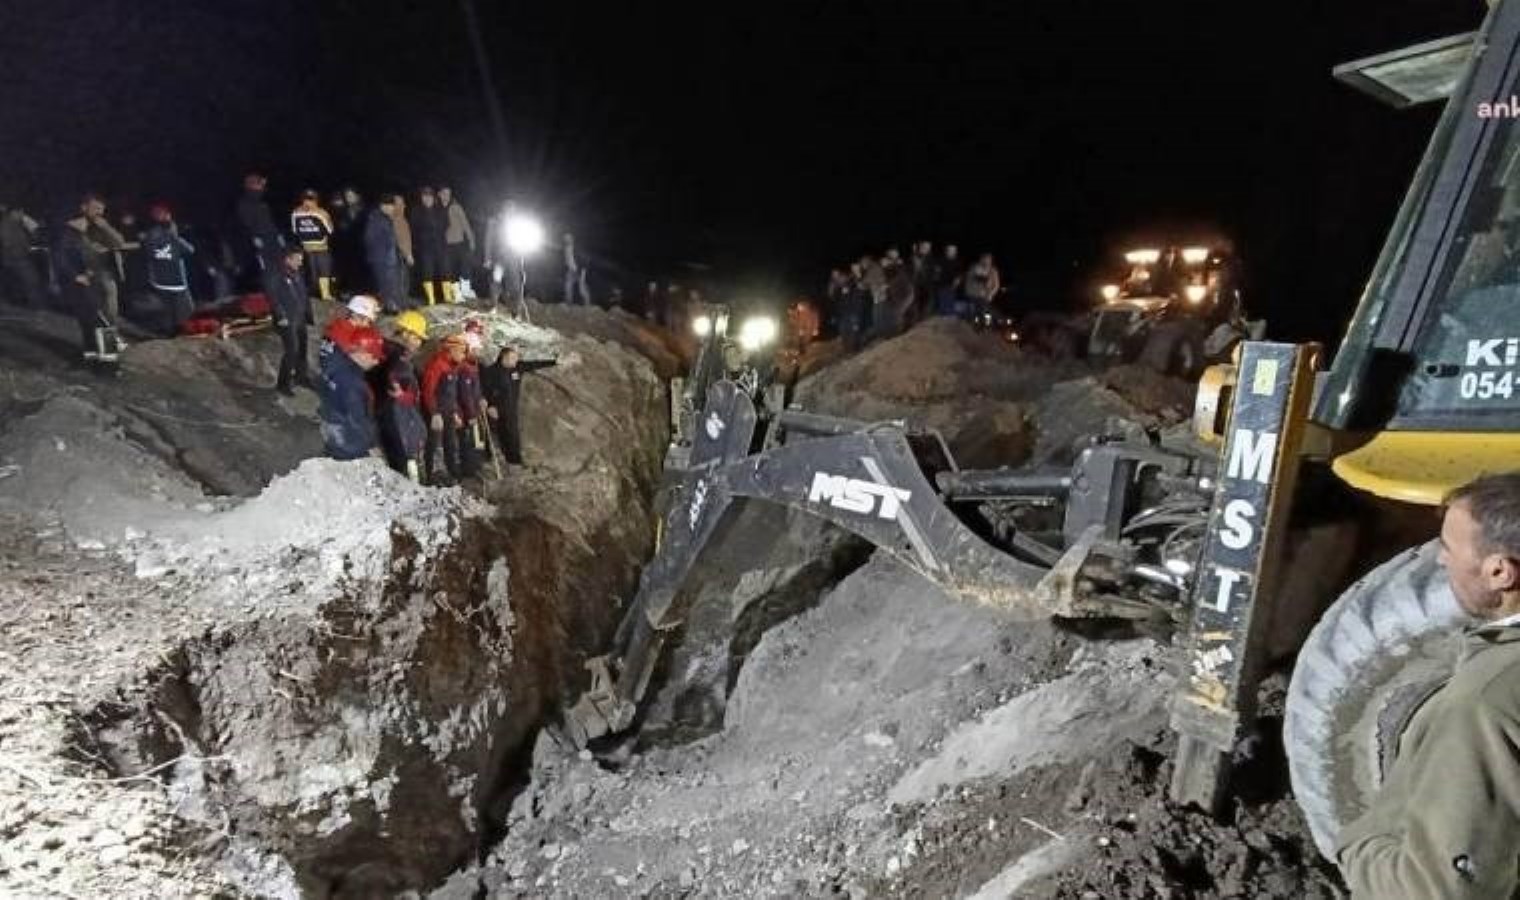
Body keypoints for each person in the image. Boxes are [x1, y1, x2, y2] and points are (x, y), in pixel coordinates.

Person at [1336, 472, 1520, 899]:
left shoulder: (1485, 703)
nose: (1440, 560)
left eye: (1448, 548)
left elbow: (1432, 890)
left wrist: (1358, 848)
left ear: (1499, 571)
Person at [375, 310, 429, 480]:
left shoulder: (395, 356)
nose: (419, 343)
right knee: (403, 465)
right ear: (406, 334)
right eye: (417, 338)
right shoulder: (397, 361)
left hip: (394, 417)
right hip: (397, 420)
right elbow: (396, 394)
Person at [482, 345, 557, 466]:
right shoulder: (491, 371)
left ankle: (514, 460)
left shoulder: (518, 367)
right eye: (512, 358)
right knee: (494, 433)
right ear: (504, 358)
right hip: (495, 408)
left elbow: (534, 364)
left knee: (512, 434)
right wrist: (490, 405)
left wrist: (554, 362)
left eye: (516, 358)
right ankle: (489, 458)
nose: (515, 360)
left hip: (511, 407)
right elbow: (484, 389)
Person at [318, 325, 384, 460]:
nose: (376, 362)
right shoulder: (354, 383)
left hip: (330, 424)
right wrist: (371, 445)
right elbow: (357, 419)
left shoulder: (335, 361)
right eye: (374, 356)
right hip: (347, 439)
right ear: (363, 353)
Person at [53, 209, 112, 359]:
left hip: (95, 282)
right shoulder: (67, 237)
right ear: (71, 221)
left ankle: (106, 356)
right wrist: (76, 276)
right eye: (80, 220)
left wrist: (92, 267)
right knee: (93, 320)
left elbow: (97, 255)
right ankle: (98, 356)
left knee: (101, 319)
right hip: (82, 286)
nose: (83, 222)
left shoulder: (89, 234)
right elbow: (61, 260)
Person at [140, 204, 197, 335]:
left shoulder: (159, 234)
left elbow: (189, 250)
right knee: (175, 310)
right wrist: (173, 237)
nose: (164, 217)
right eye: (160, 214)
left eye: (165, 214)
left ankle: (176, 331)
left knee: (175, 310)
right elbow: (189, 250)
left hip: (169, 280)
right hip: (168, 279)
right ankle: (175, 331)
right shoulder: (157, 234)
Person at [265, 246, 314, 395]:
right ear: (288, 259)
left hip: (299, 317)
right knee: (291, 350)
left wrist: (307, 313)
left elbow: (303, 294)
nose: (300, 263)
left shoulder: (297, 273)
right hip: (287, 319)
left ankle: (301, 376)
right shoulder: (276, 275)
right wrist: (281, 316)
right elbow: (273, 298)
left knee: (303, 348)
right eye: (297, 260)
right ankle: (283, 383)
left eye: (301, 260)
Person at [422, 333, 468, 484]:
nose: (464, 355)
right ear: (452, 350)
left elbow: (451, 393)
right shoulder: (437, 365)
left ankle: (452, 473)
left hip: (448, 412)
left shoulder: (453, 366)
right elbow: (428, 390)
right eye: (462, 351)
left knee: (450, 443)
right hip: (436, 413)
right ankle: (429, 476)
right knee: (433, 444)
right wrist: (434, 413)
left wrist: (455, 412)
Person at [234, 172, 282, 287]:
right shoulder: (245, 204)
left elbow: (270, 222)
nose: (262, 187)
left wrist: (278, 234)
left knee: (280, 266)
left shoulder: (262, 203)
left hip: (273, 239)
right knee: (268, 270)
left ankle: (283, 290)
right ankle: (273, 293)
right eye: (259, 184)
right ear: (252, 186)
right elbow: (246, 224)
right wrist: (254, 237)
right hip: (261, 242)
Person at [291, 189, 336, 301]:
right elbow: (330, 230)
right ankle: (323, 295)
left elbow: (295, 230)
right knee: (322, 270)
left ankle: (318, 294)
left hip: (307, 247)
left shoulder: (296, 212)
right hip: (321, 247)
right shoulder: (321, 212)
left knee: (314, 271)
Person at [364, 195, 406, 312]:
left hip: (389, 257)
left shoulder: (387, 218)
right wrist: (380, 250)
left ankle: (394, 304)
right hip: (381, 258)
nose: (392, 208)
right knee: (385, 283)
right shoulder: (376, 218)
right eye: (390, 206)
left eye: (392, 206)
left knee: (392, 282)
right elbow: (369, 238)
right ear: (383, 206)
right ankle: (389, 306)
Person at [455, 324, 487, 477]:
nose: (477, 352)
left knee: (477, 440)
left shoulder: (473, 366)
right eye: (475, 350)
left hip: (474, 409)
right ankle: (470, 471)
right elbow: (465, 394)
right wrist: (471, 415)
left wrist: (481, 398)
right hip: (467, 413)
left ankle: (477, 466)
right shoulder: (464, 368)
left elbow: (475, 389)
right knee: (469, 441)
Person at [0, 204, 45, 307]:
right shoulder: (6, 224)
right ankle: (37, 305)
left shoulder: (15, 223)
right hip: (17, 259)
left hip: (19, 258)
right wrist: (23, 251)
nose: (22, 215)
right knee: (32, 281)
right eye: (21, 213)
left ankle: (32, 304)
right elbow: (8, 243)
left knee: (28, 282)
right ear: (14, 212)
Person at [410, 187, 449, 306]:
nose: (427, 198)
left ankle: (447, 298)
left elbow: (446, 224)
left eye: (429, 196)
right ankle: (431, 299)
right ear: (421, 198)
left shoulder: (440, 210)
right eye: (424, 196)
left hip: (441, 245)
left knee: (445, 271)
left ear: (433, 198)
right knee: (427, 273)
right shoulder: (416, 211)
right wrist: (417, 245)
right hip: (425, 248)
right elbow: (414, 229)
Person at [320, 294, 381, 367]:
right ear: (357, 316)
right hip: (338, 369)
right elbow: (347, 354)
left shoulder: (339, 325)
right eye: (368, 320)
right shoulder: (342, 331)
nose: (369, 323)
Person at [438, 186, 476, 302]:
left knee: (464, 267)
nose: (446, 196)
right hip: (446, 245)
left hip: (460, 242)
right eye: (444, 193)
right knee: (449, 270)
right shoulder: (437, 209)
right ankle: (456, 294)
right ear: (439, 194)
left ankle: (466, 291)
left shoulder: (455, 207)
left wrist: (471, 240)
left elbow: (465, 223)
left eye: (448, 194)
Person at [389, 193, 415, 302]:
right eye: (398, 203)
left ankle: (399, 300)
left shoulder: (397, 218)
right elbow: (402, 239)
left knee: (399, 279)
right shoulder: (398, 219)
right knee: (402, 279)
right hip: (399, 255)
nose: (402, 206)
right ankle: (401, 302)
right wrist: (408, 254)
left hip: (395, 255)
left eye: (402, 203)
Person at [962, 252, 1001, 318]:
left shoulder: (993, 270)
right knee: (975, 311)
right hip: (973, 295)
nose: (987, 261)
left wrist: (991, 294)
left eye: (989, 259)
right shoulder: (974, 268)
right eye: (985, 259)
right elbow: (969, 281)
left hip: (985, 296)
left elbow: (996, 285)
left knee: (985, 310)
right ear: (981, 259)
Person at [933, 244, 963, 316]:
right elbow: (936, 273)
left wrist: (958, 280)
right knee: (942, 308)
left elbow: (959, 274)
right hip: (941, 286)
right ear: (946, 251)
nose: (950, 252)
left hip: (952, 287)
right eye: (949, 250)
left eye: (952, 250)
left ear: (955, 251)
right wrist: (936, 279)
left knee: (950, 307)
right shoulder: (940, 260)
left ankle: (949, 315)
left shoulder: (957, 262)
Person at [563, 232, 590, 305]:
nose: (567, 240)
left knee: (582, 289)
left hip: (580, 271)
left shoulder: (577, 248)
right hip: (571, 271)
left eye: (568, 238)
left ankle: (588, 304)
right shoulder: (565, 249)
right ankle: (568, 303)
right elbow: (566, 261)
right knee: (567, 286)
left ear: (572, 239)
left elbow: (585, 260)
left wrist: (583, 273)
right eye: (565, 238)